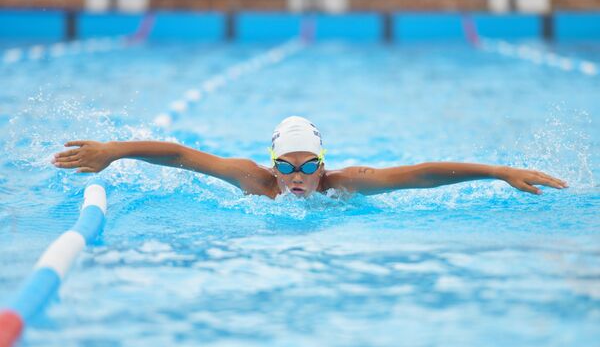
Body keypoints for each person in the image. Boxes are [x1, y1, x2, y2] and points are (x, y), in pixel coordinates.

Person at [52, 116, 567, 198]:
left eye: (306, 166)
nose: (296, 178)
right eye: (286, 166)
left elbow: (420, 175)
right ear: (271, 163)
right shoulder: (253, 182)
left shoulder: (346, 184)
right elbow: (181, 154)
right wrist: (114, 152)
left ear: (323, 164)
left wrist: (499, 172)